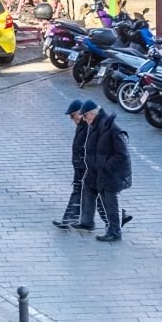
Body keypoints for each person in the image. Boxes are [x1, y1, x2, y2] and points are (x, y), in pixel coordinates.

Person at [74, 104, 133, 242]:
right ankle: (87, 221)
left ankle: (115, 232)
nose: (84, 119)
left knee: (109, 202)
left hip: (110, 174)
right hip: (96, 171)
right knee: (87, 189)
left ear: (93, 113)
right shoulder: (95, 125)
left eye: (85, 116)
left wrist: (106, 168)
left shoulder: (113, 129)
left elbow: (123, 155)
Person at [52, 100, 93, 230]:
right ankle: (79, 221)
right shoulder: (81, 126)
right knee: (87, 194)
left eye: (72, 115)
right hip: (81, 167)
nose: (71, 118)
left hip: (86, 168)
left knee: (83, 193)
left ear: (79, 113)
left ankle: (68, 221)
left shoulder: (88, 127)